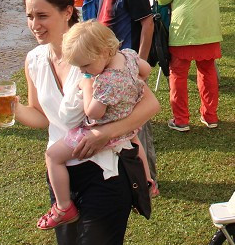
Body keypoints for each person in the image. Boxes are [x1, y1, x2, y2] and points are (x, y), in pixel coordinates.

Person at [11, 0, 159, 245]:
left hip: (106, 172)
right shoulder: (34, 60)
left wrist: (105, 133)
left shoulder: (94, 53)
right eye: (30, 16)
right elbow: (42, 117)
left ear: (67, 12)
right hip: (63, 176)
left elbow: (151, 104)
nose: (34, 24)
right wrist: (13, 108)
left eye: (42, 15)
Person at [41, 20, 155, 230]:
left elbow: (93, 112)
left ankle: (63, 206)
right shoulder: (129, 55)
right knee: (136, 144)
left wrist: (87, 87)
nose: (85, 71)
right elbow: (146, 70)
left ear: (103, 52)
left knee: (53, 156)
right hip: (126, 126)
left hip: (101, 130)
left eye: (85, 66)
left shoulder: (105, 82)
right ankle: (147, 180)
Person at [154, 0, 223, 132]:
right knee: (207, 70)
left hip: (184, 26)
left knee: (178, 73)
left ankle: (181, 119)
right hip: (208, 25)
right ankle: (210, 116)